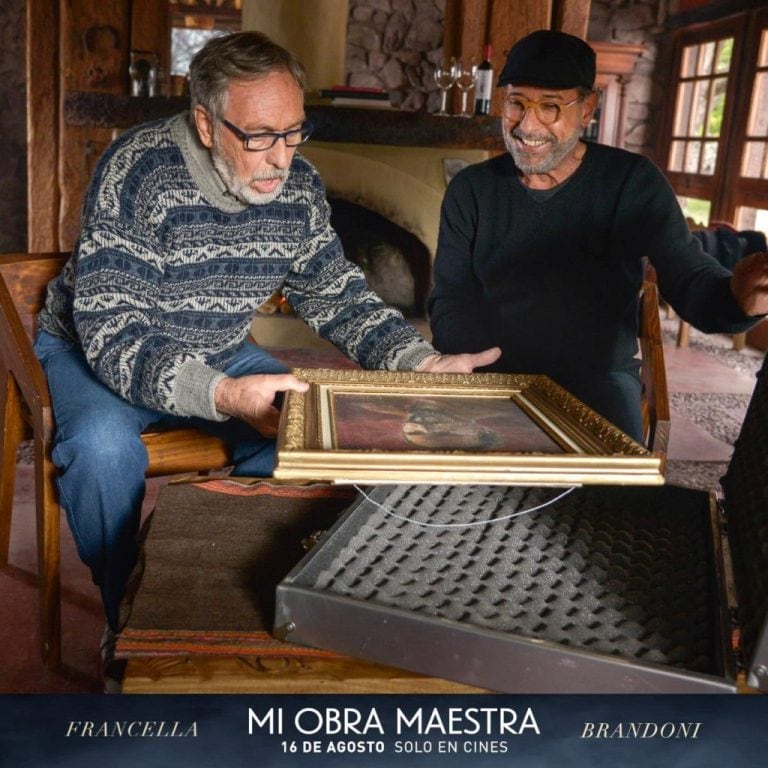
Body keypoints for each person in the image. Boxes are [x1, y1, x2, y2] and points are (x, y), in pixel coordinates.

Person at [34, 31, 500, 642]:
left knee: (303, 436)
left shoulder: (298, 188)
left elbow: (335, 294)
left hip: (219, 343)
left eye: (294, 131)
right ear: (206, 123)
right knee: (100, 452)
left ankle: (239, 590)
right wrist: (226, 395)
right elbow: (113, 332)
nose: (281, 157)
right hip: (98, 348)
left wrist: (418, 360)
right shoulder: (136, 169)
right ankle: (126, 609)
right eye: (258, 137)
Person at [428, 29, 768, 441]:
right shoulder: (472, 190)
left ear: (587, 108)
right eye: (516, 104)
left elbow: (689, 277)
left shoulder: (632, 183)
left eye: (550, 107)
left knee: (614, 499)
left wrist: (738, 299)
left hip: (598, 382)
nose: (527, 126)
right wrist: (482, 377)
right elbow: (449, 298)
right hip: (494, 374)